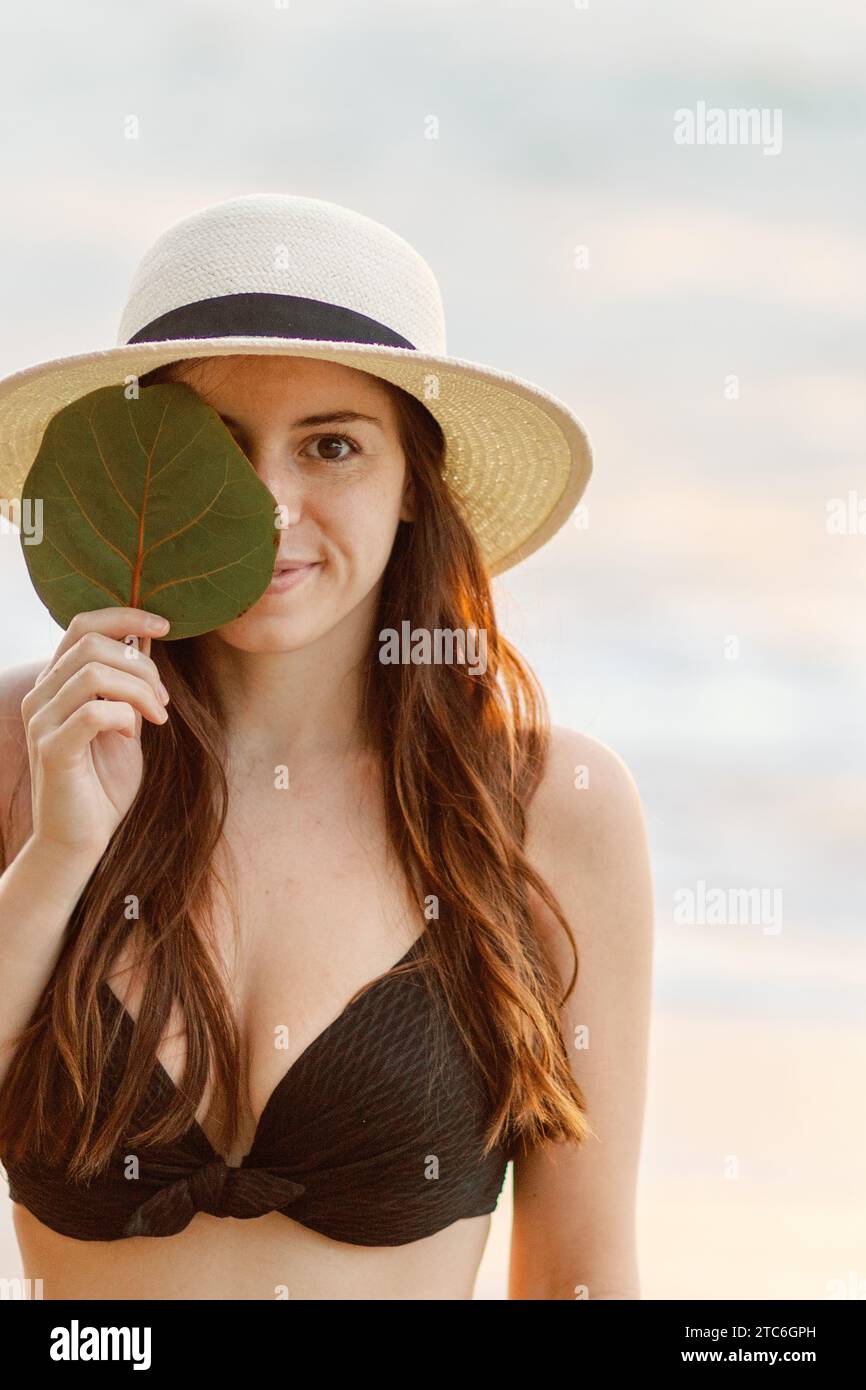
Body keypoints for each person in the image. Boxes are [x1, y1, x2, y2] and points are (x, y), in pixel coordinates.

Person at [0, 194, 654, 1300]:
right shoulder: (28, 748)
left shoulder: (547, 806)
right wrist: (59, 855)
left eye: (332, 446)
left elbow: (578, 1282)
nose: (266, 503)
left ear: (413, 485)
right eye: (213, 447)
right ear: (141, 477)